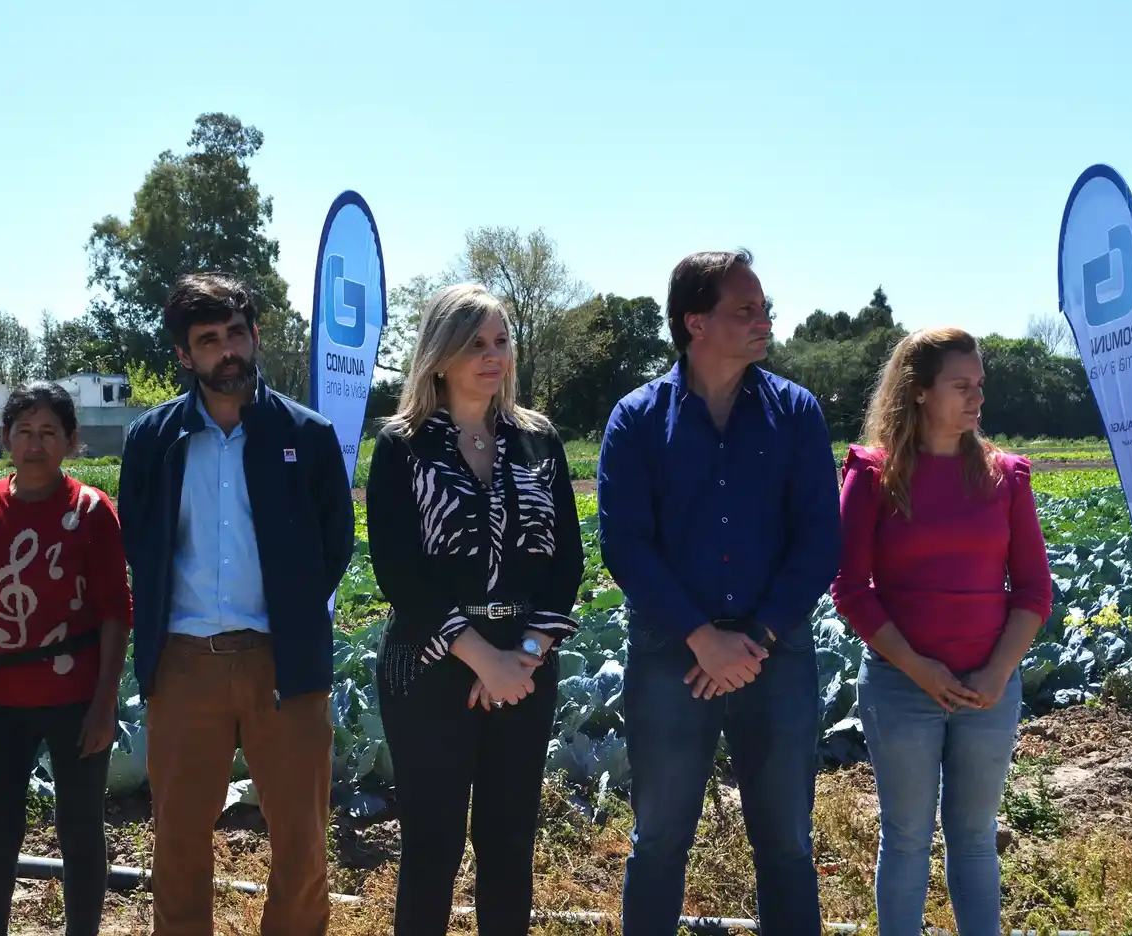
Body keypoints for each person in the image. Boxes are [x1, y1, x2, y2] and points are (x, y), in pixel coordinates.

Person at [597, 250, 842, 935]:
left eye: (765, 308)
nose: (764, 320)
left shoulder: (797, 414)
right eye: (746, 309)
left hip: (776, 654)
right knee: (660, 840)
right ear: (694, 321)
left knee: (788, 845)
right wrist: (702, 638)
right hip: (671, 653)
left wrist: (755, 638)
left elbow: (820, 541)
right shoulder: (637, 419)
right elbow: (626, 544)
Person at [118, 274, 356, 936]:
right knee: (179, 841)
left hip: (284, 665)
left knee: (303, 842)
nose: (227, 351)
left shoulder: (306, 436)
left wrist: (293, 612)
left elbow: (335, 542)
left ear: (254, 336)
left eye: (236, 334)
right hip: (184, 663)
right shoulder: (153, 440)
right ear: (183, 355)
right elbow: (138, 538)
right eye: (208, 340)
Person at [365, 283, 584, 936]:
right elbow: (399, 571)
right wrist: (482, 659)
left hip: (524, 668)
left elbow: (566, 563)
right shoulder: (402, 446)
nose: (494, 357)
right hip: (431, 668)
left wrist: (520, 659)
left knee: (510, 844)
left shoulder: (538, 440)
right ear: (439, 356)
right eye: (475, 344)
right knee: (432, 849)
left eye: (501, 341)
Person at [831, 327, 1051, 935]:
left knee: (976, 835)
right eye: (961, 385)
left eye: (979, 385)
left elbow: (1034, 590)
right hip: (903, 689)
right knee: (905, 836)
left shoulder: (1007, 477)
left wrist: (998, 673)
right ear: (921, 391)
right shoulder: (872, 475)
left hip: (989, 691)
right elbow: (851, 590)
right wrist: (918, 668)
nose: (976, 397)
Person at [0, 382, 131, 936]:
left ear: (70, 441)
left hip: (74, 700)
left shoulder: (92, 512)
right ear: (6, 439)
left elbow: (116, 612)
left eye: (48, 434)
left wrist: (105, 703)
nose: (35, 446)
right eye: (24, 432)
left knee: (81, 828)